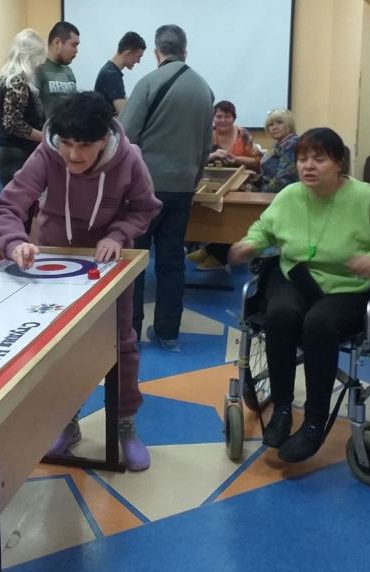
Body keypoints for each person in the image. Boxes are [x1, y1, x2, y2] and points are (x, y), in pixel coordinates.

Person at [0, 92, 161, 471]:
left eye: (84, 145)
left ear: (104, 139)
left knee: (121, 344)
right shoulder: (46, 154)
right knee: (58, 346)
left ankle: (125, 425)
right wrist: (15, 241)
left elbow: (145, 207)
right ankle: (65, 422)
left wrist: (118, 234)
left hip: (109, 263)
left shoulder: (129, 158)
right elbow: (9, 206)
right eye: (66, 143)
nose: (73, 154)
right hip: (56, 261)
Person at [226, 128, 370, 462]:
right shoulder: (289, 196)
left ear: (338, 163)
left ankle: (314, 421)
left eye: (319, 159)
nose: (308, 166)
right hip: (295, 277)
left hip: (345, 285)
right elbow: (264, 228)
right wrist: (250, 243)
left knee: (319, 324)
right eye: (302, 159)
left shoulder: (364, 198)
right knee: (280, 315)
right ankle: (283, 409)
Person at [120, 24, 214, 352]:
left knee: (134, 260)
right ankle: (168, 332)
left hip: (143, 189)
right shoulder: (204, 89)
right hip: (183, 188)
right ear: (184, 51)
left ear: (157, 52)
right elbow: (205, 146)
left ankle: (129, 332)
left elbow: (125, 137)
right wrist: (192, 180)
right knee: (172, 262)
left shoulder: (148, 83)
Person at [188, 100, 264, 271]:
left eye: (227, 116)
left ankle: (218, 255)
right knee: (206, 205)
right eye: (218, 116)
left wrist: (236, 159)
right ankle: (211, 249)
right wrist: (212, 156)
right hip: (211, 182)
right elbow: (193, 159)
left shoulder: (243, 134)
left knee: (232, 209)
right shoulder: (207, 134)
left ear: (233, 118)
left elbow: (257, 162)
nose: (222, 120)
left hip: (243, 183)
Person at [0, 29, 46, 188]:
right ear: (31, 56)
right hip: (17, 156)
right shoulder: (18, 82)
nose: (40, 63)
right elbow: (13, 123)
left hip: (14, 155)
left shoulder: (6, 80)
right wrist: (45, 137)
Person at [93, 31, 146, 114]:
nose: (138, 61)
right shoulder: (112, 75)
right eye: (138, 57)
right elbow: (124, 114)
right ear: (128, 53)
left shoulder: (109, 70)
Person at [36, 21, 79, 120]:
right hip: (47, 128)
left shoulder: (68, 71)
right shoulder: (39, 69)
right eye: (74, 45)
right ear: (57, 42)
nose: (76, 50)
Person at [258, 107, 300, 194]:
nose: (274, 127)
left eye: (279, 122)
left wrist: (261, 190)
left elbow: (284, 179)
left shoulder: (291, 144)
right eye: (270, 125)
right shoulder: (280, 143)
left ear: (289, 124)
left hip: (282, 195)